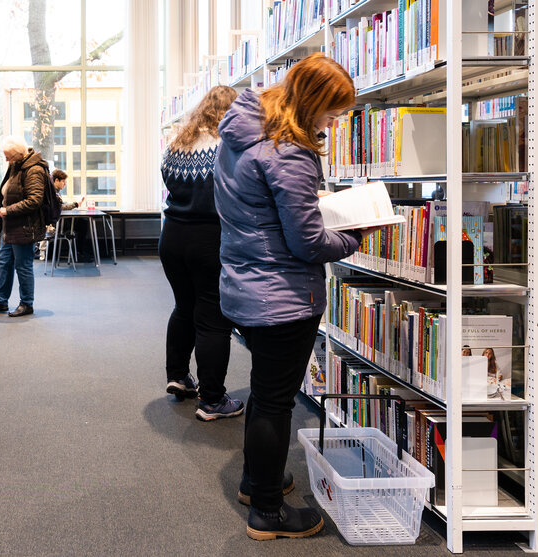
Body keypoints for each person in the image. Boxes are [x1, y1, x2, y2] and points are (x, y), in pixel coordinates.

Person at [214, 53, 378, 540]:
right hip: (281, 293)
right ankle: (268, 510)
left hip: (245, 282)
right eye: (331, 114)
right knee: (275, 401)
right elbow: (307, 242)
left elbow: (262, 210)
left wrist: (309, 205)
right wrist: (356, 235)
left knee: (266, 394)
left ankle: (254, 481)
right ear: (312, 104)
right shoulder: (287, 151)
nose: (332, 124)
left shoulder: (242, 131)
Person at [159, 85, 241, 421]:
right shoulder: (229, 145)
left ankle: (178, 376)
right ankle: (212, 400)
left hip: (173, 236)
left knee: (183, 307)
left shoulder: (178, 142)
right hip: (211, 239)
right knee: (212, 319)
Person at [0, 136, 48, 317]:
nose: (6, 160)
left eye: (8, 156)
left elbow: (34, 200)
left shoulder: (34, 169)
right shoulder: (15, 166)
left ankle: (27, 304)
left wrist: (8, 210)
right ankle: (1, 301)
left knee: (23, 266)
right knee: (5, 263)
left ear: (20, 153)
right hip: (9, 226)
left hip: (24, 227)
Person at [38, 169, 86, 261]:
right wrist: (75, 204)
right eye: (63, 181)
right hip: (55, 223)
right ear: (56, 180)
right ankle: (80, 253)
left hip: (57, 221)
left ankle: (79, 253)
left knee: (82, 223)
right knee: (83, 224)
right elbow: (59, 207)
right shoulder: (52, 193)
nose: (65, 184)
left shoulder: (55, 192)